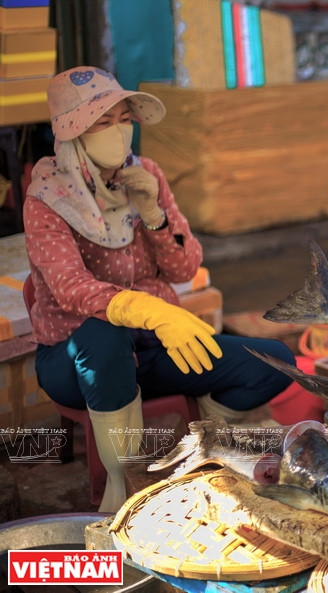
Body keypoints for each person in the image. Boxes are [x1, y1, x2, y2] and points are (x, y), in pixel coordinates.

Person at [23, 66, 295, 512]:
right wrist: (150, 310)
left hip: (149, 346)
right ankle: (122, 481)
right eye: (102, 123)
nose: (119, 132)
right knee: (103, 333)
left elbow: (184, 266)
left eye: (124, 119)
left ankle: (201, 442)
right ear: (73, 134)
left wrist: (154, 215)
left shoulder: (145, 174)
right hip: (76, 360)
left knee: (273, 363)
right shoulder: (47, 199)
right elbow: (71, 289)